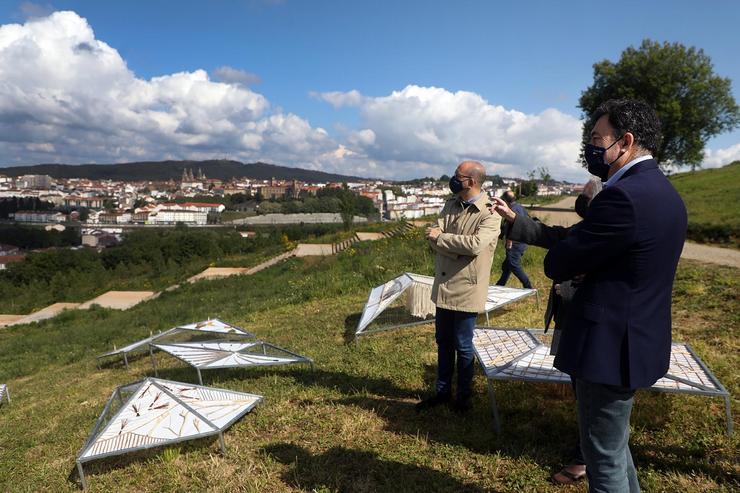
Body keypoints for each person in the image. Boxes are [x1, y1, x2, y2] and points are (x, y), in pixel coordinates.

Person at [544, 99, 687, 492]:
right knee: (615, 448)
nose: (590, 148)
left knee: (602, 460)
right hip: (637, 338)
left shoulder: (621, 196)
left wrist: (577, 261)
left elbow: (559, 263)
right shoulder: (665, 192)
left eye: (595, 139)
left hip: (607, 346)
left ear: (624, 142)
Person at [490, 178, 602, 485]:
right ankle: (587, 446)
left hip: (594, 320)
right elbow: (557, 235)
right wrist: (515, 219)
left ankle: (588, 456)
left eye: (586, 195)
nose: (581, 200)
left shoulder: (609, 227)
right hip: (574, 316)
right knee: (582, 387)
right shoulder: (587, 226)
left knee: (594, 393)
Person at [417, 160, 500, 413]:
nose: (453, 178)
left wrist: (442, 240)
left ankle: (464, 397)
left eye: (458, 175)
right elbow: (433, 234)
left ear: (472, 181)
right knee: (443, 341)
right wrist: (447, 243)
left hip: (467, 288)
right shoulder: (451, 204)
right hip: (444, 284)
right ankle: (442, 392)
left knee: (463, 345)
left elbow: (474, 245)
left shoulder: (490, 212)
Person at [495, 191, 533, 289]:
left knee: (513, 264)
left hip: (515, 243)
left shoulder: (511, 210)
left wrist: (509, 241)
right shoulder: (520, 207)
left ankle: (528, 286)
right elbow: (529, 220)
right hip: (522, 242)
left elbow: (511, 226)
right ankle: (500, 285)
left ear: (505, 200)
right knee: (507, 266)